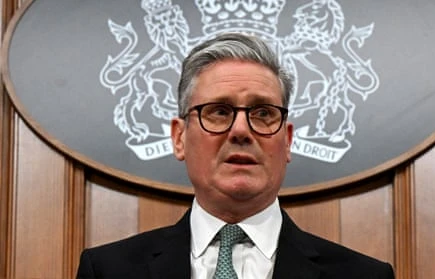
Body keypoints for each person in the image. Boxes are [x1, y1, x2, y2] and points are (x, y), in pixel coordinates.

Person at [76, 33, 395, 279]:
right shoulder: (106, 270)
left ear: (287, 141)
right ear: (179, 138)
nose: (241, 130)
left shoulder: (365, 275)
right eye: (218, 111)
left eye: (263, 113)